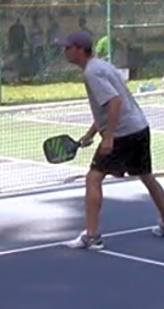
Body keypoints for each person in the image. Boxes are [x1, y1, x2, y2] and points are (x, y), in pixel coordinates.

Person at [59, 30, 164, 249]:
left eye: (68, 47)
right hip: (139, 127)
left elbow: (114, 103)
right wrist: (90, 134)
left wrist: (108, 138)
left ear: (80, 49)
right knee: (147, 176)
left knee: (93, 178)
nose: (64, 51)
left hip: (123, 133)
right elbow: (108, 107)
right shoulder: (101, 66)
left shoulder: (92, 73)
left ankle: (92, 235)